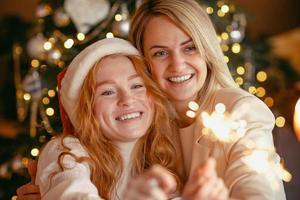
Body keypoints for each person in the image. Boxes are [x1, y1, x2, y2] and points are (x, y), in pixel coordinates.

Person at [17, 37, 229, 200]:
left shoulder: (159, 159)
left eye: (137, 86)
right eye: (107, 92)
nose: (127, 100)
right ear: (85, 110)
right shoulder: (66, 152)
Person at [128, 0, 286, 199]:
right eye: (160, 53)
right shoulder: (137, 122)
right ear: (144, 62)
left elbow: (255, 186)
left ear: (207, 50)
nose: (177, 65)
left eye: (190, 48)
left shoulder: (241, 110)